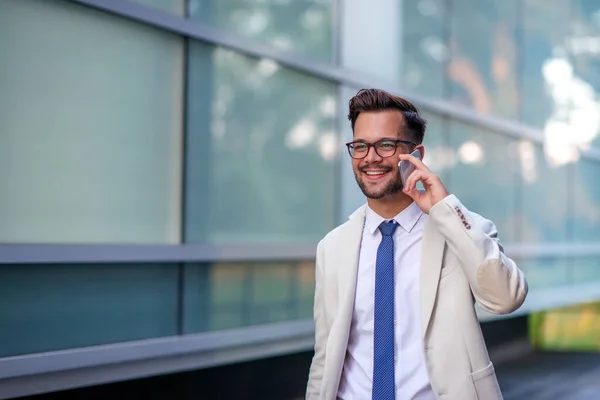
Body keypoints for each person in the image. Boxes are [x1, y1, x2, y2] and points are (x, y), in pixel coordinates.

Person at [306, 88, 528, 400]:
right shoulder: (332, 247)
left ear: (416, 155)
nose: (370, 157)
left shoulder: (460, 230)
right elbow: (325, 356)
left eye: (386, 145)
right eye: (360, 146)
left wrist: (446, 208)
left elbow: (506, 299)